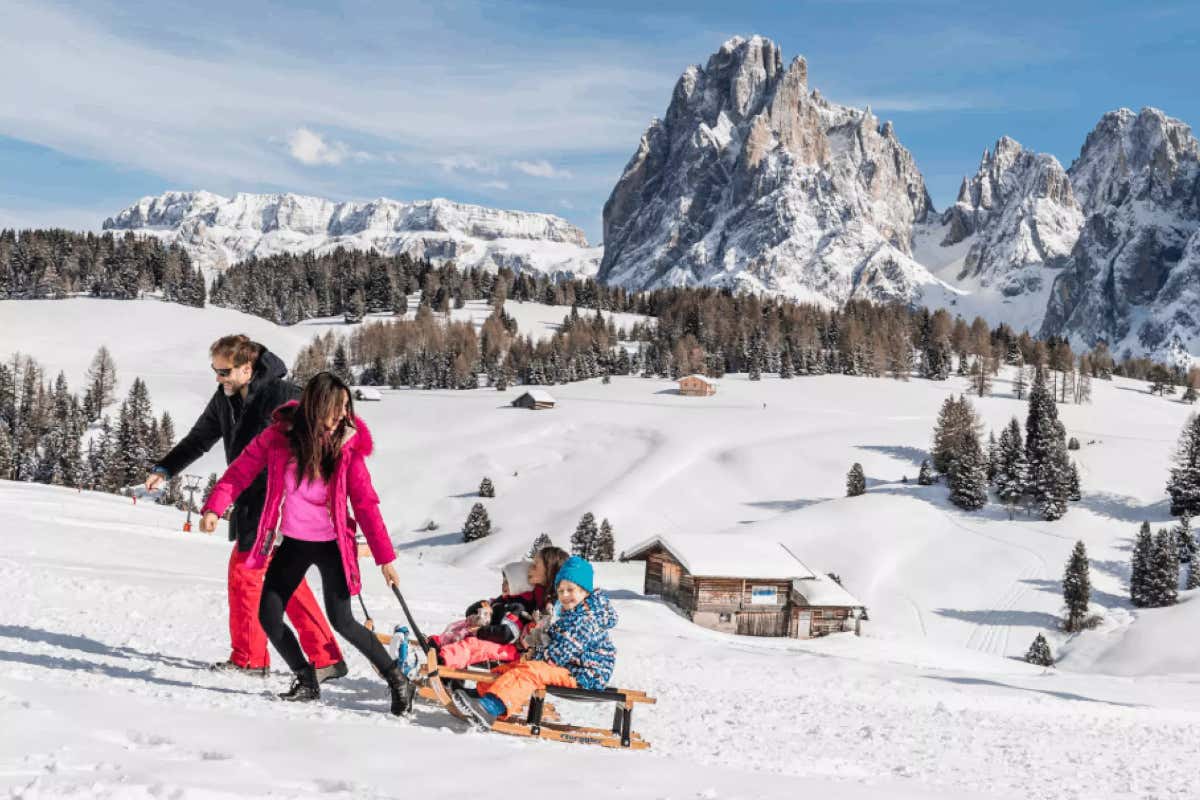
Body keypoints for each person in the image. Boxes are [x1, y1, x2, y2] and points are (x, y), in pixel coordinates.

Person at [199, 372, 412, 714]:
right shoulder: (279, 437)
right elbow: (240, 472)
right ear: (316, 406)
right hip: (294, 543)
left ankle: (398, 680)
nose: (342, 414)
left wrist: (385, 558)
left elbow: (366, 505)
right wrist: (214, 507)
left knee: (343, 621)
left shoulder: (347, 448)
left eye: (346, 407)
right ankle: (306, 679)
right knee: (269, 616)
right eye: (335, 407)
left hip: (332, 545)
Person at [146, 335, 344, 680]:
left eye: (224, 371)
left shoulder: (283, 395)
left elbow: (326, 431)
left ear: (247, 368)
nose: (218, 377)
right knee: (284, 580)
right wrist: (165, 468)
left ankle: (251, 658)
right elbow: (198, 439)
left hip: (280, 501)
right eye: (215, 370)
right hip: (251, 500)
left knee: (246, 573)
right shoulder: (224, 399)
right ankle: (325, 656)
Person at [452, 556, 617, 729]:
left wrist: (536, 655)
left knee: (531, 671)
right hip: (569, 668)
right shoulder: (572, 616)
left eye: (570, 590)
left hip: (584, 675)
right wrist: (534, 648)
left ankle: (490, 707)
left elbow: (557, 655)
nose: (565, 595)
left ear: (585, 592)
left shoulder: (585, 620)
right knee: (516, 666)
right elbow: (553, 644)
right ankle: (482, 694)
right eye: (561, 591)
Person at [431, 562, 537, 670]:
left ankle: (445, 658)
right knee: (461, 626)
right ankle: (440, 642)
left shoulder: (519, 608)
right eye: (503, 581)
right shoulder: (503, 600)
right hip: (491, 638)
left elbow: (507, 633)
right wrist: (479, 609)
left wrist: (480, 632)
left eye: (507, 582)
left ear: (519, 584)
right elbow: (476, 610)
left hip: (506, 649)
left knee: (472, 645)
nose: (503, 585)